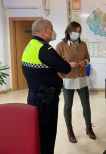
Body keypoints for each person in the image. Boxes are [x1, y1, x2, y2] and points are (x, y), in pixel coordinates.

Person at [21, 19, 71, 154]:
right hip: (47, 100)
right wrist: (58, 69)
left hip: (33, 97)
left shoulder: (30, 45)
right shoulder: (44, 48)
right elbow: (65, 67)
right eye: (52, 28)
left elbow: (39, 69)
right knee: (47, 134)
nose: (53, 32)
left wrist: (53, 70)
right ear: (45, 31)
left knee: (38, 133)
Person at [56, 21, 96, 143]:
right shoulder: (61, 45)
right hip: (68, 79)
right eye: (75, 32)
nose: (77, 34)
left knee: (86, 105)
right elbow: (56, 63)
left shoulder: (83, 44)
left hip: (82, 78)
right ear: (69, 32)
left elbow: (88, 58)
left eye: (79, 32)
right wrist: (69, 64)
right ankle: (70, 131)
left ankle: (89, 128)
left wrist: (85, 62)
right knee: (68, 105)